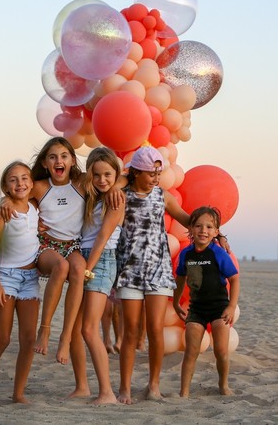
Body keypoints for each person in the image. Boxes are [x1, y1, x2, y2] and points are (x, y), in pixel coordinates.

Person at [0, 137, 87, 365]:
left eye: (64, 156)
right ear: (45, 163)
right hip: (47, 245)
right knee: (62, 266)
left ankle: (65, 336)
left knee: (79, 268)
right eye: (53, 157)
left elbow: (112, 178)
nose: (59, 161)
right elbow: (15, 198)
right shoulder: (40, 186)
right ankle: (45, 328)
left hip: (73, 245)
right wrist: (5, 203)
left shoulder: (82, 183)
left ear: (72, 160)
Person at [115, 146, 191, 404]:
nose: (156, 178)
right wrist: (125, 177)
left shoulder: (163, 196)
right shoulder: (122, 195)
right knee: (131, 332)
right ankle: (124, 387)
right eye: (150, 173)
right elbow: (112, 182)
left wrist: (213, 229)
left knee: (155, 330)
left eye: (158, 172)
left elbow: (187, 219)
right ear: (136, 172)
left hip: (158, 271)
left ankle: (154, 385)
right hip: (130, 270)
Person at [0, 161, 41, 405]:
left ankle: (18, 393)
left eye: (25, 178)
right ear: (5, 186)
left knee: (29, 339)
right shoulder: (3, 210)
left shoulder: (34, 208)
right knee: (2, 338)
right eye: (13, 179)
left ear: (32, 183)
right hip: (6, 277)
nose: (20, 183)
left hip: (30, 278)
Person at [68, 147, 124, 404]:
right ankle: (82, 387)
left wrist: (87, 271)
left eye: (108, 175)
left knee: (90, 329)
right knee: (76, 328)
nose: (103, 180)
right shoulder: (91, 197)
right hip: (83, 259)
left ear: (116, 174)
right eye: (97, 174)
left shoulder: (116, 199)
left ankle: (107, 392)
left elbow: (102, 239)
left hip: (100, 263)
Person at [173, 206, 240, 398]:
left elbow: (234, 279)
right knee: (191, 352)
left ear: (216, 232)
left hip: (219, 309)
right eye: (199, 226)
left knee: (221, 351)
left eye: (209, 227)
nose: (204, 230)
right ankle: (184, 392)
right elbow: (180, 279)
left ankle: (223, 385)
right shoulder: (186, 254)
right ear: (191, 229)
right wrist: (176, 302)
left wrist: (231, 306)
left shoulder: (218, 253)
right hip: (197, 310)